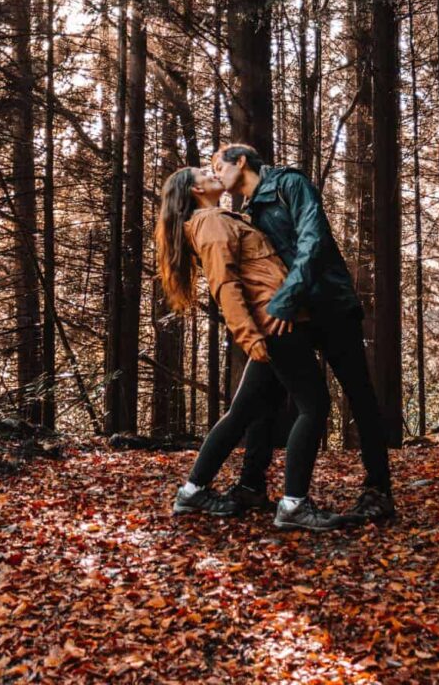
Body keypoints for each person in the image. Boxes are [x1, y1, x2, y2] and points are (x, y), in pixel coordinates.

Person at [154, 165, 345, 532]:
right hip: (273, 324)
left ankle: (193, 491)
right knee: (315, 406)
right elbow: (224, 284)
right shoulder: (209, 221)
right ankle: (294, 505)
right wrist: (249, 335)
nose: (210, 173)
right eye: (201, 172)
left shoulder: (220, 217)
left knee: (243, 411)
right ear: (194, 190)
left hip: (275, 319)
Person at [212, 144, 395, 523]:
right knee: (264, 398)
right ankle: (251, 486)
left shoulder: (289, 184)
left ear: (242, 161)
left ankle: (378, 490)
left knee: (358, 394)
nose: (216, 174)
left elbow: (314, 241)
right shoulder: (248, 212)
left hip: (329, 304)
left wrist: (284, 299)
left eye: (219, 166)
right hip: (291, 316)